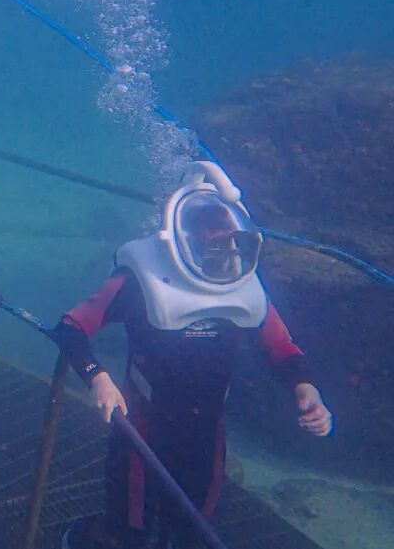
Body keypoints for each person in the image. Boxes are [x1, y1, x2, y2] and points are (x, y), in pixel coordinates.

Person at [54, 161, 333, 549]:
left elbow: (280, 347)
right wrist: (97, 377)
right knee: (127, 532)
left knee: (192, 531)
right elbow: (70, 327)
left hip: (206, 431)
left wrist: (305, 387)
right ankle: (82, 538)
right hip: (141, 428)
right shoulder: (140, 281)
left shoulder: (242, 286)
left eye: (232, 242)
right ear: (184, 243)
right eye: (213, 245)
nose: (225, 254)